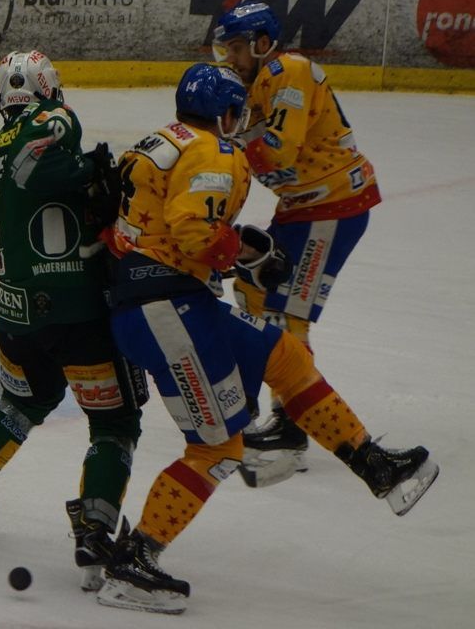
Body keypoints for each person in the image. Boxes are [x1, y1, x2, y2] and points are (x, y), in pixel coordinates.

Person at [94, 63, 438, 614]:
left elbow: (137, 225)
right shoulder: (213, 151)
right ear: (225, 113)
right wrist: (244, 254)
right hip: (167, 311)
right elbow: (192, 231)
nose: (242, 123)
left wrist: (245, 251)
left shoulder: (157, 141)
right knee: (217, 448)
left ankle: (376, 465)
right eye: (239, 113)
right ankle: (133, 561)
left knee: (286, 355)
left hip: (171, 303)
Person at [0, 50, 147, 592]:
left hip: (17, 314)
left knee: (22, 402)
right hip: (76, 312)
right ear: (47, 87)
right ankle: (95, 530)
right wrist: (91, 171)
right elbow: (40, 163)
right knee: (116, 424)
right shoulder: (54, 117)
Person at [211, 2, 384, 483]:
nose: (232, 59)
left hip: (334, 206)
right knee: (252, 289)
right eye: (227, 50)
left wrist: (224, 141)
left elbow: (278, 151)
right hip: (302, 208)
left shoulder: (290, 71)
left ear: (264, 43)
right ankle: (253, 398)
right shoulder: (252, 85)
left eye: (239, 48)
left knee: (289, 314)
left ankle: (291, 422)